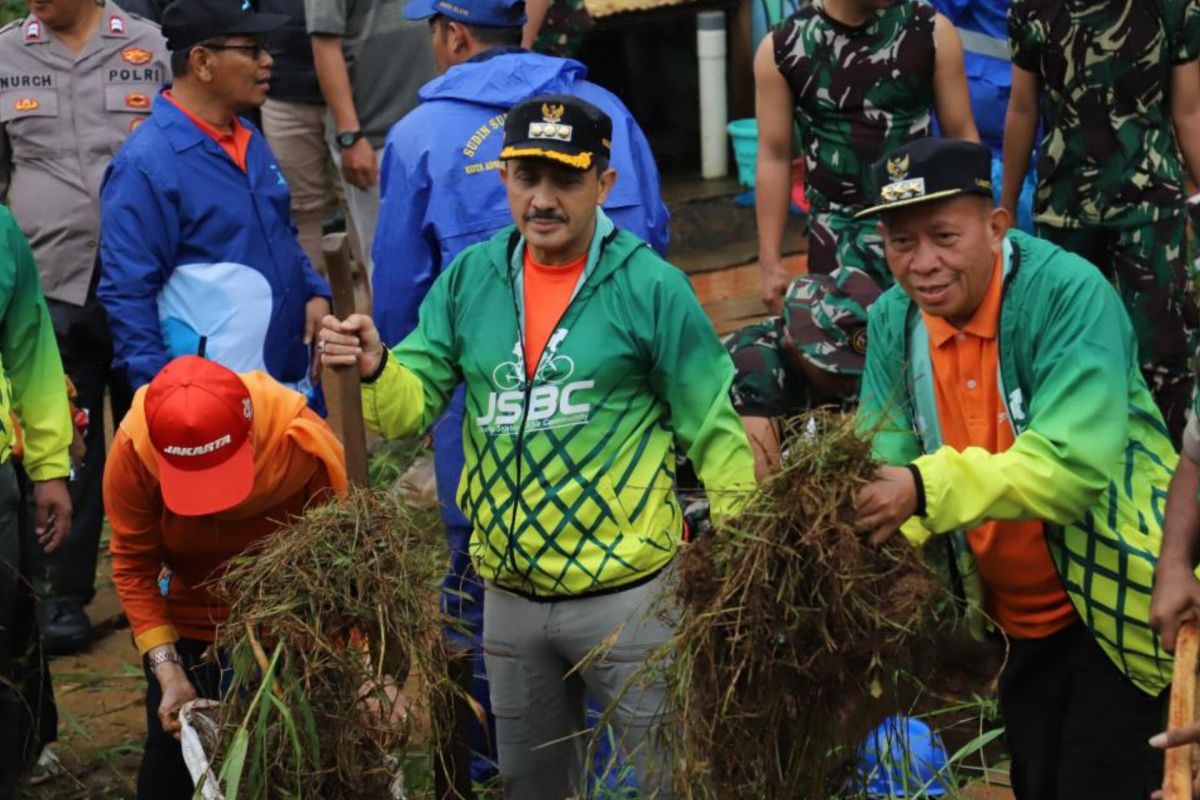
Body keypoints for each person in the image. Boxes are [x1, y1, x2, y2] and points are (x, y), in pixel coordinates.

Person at [319, 95, 757, 798]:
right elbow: (410, 406)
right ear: (504, 179)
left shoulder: (650, 287)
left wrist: (740, 562)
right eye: (526, 177)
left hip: (631, 598)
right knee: (530, 783)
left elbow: (713, 426)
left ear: (605, 184)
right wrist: (375, 366)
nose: (543, 199)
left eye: (566, 180)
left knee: (667, 782)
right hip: (510, 598)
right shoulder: (470, 280)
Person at [371, 0, 669, 785]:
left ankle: (489, 766)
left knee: (485, 609)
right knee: (629, 648)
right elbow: (657, 251)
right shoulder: (608, 113)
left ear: (452, 35)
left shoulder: (418, 137)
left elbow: (401, 312)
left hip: (491, 442)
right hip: (621, 442)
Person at [855, 137, 1177, 799]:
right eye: (900, 243)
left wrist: (922, 488)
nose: (923, 265)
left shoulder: (1065, 295)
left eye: (944, 236)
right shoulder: (894, 320)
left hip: (1121, 606)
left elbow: (1068, 468)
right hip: (1009, 626)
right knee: (1038, 779)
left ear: (997, 225)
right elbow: (880, 454)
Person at [0, 0, 167, 655]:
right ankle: (63, 594)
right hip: (49, 281)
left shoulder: (153, 48)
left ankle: (163, 575)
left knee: (149, 429)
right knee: (67, 439)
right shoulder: (6, 54)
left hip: (140, 278)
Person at [104, 355, 348, 800]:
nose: (211, 506)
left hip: (291, 630)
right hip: (190, 628)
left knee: (297, 767)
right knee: (172, 776)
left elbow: (342, 567)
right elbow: (133, 566)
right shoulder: (134, 450)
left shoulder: (300, 441)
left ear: (249, 430)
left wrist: (361, 665)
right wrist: (170, 674)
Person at [98, 0, 332, 404]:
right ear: (202, 62)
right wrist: (161, 400)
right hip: (213, 412)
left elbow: (280, 230)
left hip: (286, 388)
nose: (267, 61)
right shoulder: (146, 166)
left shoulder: (248, 137)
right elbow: (127, 295)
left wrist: (313, 288)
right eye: (252, 49)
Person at [1002, 0, 1200, 444]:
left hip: (1151, 207)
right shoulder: (1031, 9)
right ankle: (1075, 476)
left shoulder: (1175, 7)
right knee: (1064, 350)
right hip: (1064, 209)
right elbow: (1022, 110)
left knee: (1164, 356)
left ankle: (1169, 485)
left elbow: (1189, 113)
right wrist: (1007, 208)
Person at [754, 0, 979, 305]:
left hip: (921, 229)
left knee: (930, 344)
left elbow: (963, 137)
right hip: (837, 237)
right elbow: (774, 157)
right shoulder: (783, 48)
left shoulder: (931, 31)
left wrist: (979, 229)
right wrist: (770, 264)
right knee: (845, 348)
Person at [0, 207, 74, 798]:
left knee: (10, 634)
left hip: (1, 477)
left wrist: (50, 468)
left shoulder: (1, 230)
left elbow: (30, 346)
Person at [306, 0, 436, 276]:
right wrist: (350, 134)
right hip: (374, 134)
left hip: (438, 120)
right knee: (387, 264)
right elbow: (324, 45)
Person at [725, 266, 879, 480]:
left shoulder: (830, 377)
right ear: (793, 342)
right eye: (834, 371)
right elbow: (763, 487)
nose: (847, 383)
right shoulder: (755, 364)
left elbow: (852, 449)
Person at [261, 0, 336, 271]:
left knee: (364, 203)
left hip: (357, 90)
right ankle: (315, 301)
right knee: (299, 209)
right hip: (282, 92)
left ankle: (373, 307)